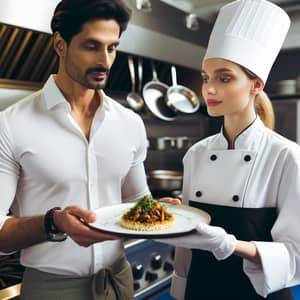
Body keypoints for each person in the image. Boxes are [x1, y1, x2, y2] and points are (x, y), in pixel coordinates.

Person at [0, 0, 153, 299]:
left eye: (112, 48)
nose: (105, 61)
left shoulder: (130, 123)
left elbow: (137, 200)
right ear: (60, 44)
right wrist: (53, 222)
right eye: (91, 46)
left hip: (118, 280)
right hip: (51, 289)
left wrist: (161, 211)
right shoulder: (11, 125)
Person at [156, 0, 300, 299]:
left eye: (224, 78)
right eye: (206, 78)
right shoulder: (196, 153)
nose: (208, 89)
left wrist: (229, 245)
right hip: (201, 289)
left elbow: (295, 256)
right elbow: (188, 247)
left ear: (255, 85)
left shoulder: (286, 156)